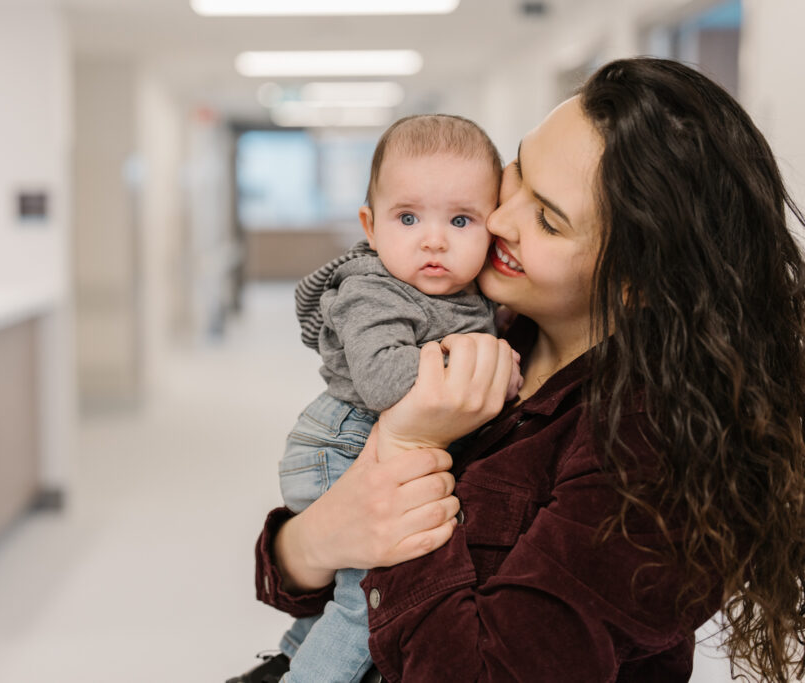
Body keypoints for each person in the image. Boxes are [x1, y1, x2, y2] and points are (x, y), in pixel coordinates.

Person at [239, 57, 805, 682]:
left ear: (635, 284)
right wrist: (313, 542)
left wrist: (409, 447)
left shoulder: (654, 451)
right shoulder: (490, 326)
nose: (498, 219)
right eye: (518, 173)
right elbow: (302, 574)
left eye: (547, 218)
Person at [254, 114, 523, 683]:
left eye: (460, 219)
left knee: (352, 581)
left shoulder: (460, 288)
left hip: (357, 437)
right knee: (366, 605)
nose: (434, 239)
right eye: (408, 217)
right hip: (342, 443)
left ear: (491, 230)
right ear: (370, 227)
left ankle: (288, 657)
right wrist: (479, 366)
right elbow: (382, 380)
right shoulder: (371, 290)